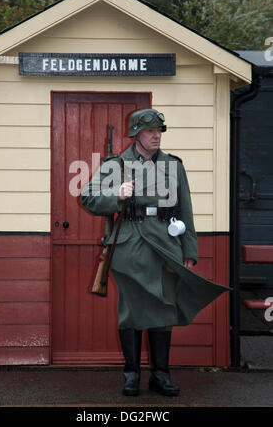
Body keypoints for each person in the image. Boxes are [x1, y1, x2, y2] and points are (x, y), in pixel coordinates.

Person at [81, 109, 229, 397]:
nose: (156, 135)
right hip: (130, 245)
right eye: (150, 131)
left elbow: (185, 207)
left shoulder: (173, 165)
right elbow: (88, 198)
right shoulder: (117, 164)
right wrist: (116, 195)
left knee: (163, 307)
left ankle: (161, 375)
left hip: (165, 244)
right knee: (132, 311)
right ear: (137, 134)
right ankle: (132, 375)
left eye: (159, 131)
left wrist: (189, 248)